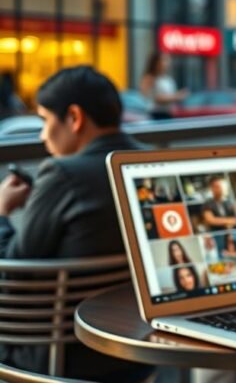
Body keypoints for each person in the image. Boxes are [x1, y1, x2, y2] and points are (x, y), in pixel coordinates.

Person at [0, 66, 151, 381]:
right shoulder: (147, 164)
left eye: (44, 120)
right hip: (136, 348)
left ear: (74, 117)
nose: (42, 135)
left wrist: (2, 211)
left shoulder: (62, 174)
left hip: (59, 354)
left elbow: (13, 271)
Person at [139, 52, 188, 120]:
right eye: (164, 60)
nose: (167, 63)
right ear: (156, 62)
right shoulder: (150, 78)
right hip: (155, 114)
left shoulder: (167, 78)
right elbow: (155, 98)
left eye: (167, 60)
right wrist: (177, 96)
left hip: (168, 113)